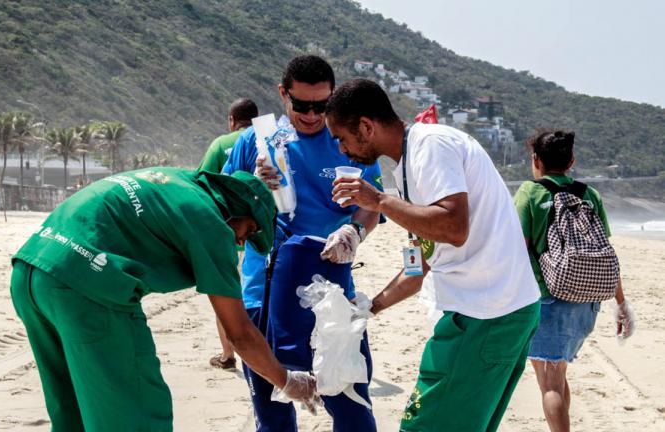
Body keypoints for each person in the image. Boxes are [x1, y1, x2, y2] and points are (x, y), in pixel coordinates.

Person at [10, 167, 317, 431]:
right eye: (248, 231)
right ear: (235, 209)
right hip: (88, 283)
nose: (240, 242)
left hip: (31, 270)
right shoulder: (211, 222)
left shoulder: (178, 182)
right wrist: (287, 381)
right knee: (139, 408)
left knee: (72, 409)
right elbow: (240, 333)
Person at [325, 78, 541, 432]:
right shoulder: (401, 169)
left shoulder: (431, 146)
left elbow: (454, 228)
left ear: (366, 126)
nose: (341, 150)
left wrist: (378, 202)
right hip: (495, 310)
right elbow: (421, 260)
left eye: (342, 138)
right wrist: (370, 306)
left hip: (486, 315)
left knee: (422, 426)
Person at [223, 56, 382, 431]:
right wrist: (253, 188)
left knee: (350, 402)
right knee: (273, 407)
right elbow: (224, 211)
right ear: (283, 95)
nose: (312, 116)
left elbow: (372, 206)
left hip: (330, 294)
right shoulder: (256, 141)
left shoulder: (348, 142)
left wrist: (353, 232)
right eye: (301, 106)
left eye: (321, 106)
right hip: (262, 292)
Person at [513, 130, 635, 432]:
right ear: (572, 161)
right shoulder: (589, 194)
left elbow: (519, 248)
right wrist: (621, 303)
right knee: (559, 374)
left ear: (536, 160)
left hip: (547, 297)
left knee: (549, 383)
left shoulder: (531, 192)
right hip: (587, 299)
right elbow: (604, 252)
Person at [199, 97, 259, 370]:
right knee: (256, 295)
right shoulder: (266, 138)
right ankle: (261, 348)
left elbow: (203, 184)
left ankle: (228, 355)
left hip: (228, 235)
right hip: (260, 235)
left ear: (232, 120)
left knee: (227, 296)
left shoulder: (221, 144)